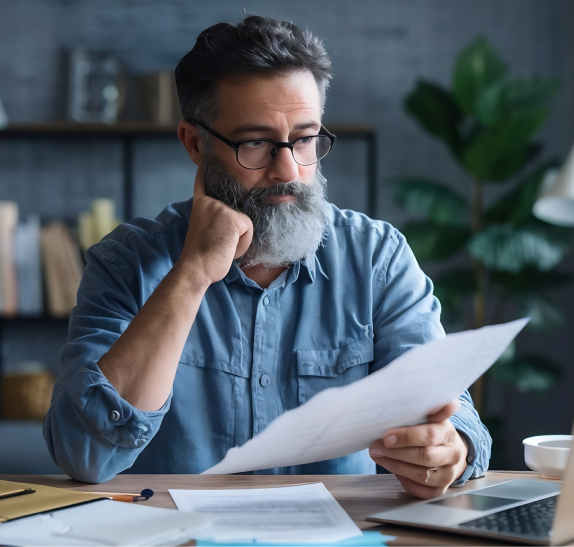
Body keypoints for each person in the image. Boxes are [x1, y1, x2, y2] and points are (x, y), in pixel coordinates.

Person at [44, 15, 491, 499]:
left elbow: (455, 418)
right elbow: (84, 455)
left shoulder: (377, 258)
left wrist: (451, 447)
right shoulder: (126, 261)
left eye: (304, 139)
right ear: (195, 144)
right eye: (255, 142)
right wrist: (191, 274)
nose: (289, 171)